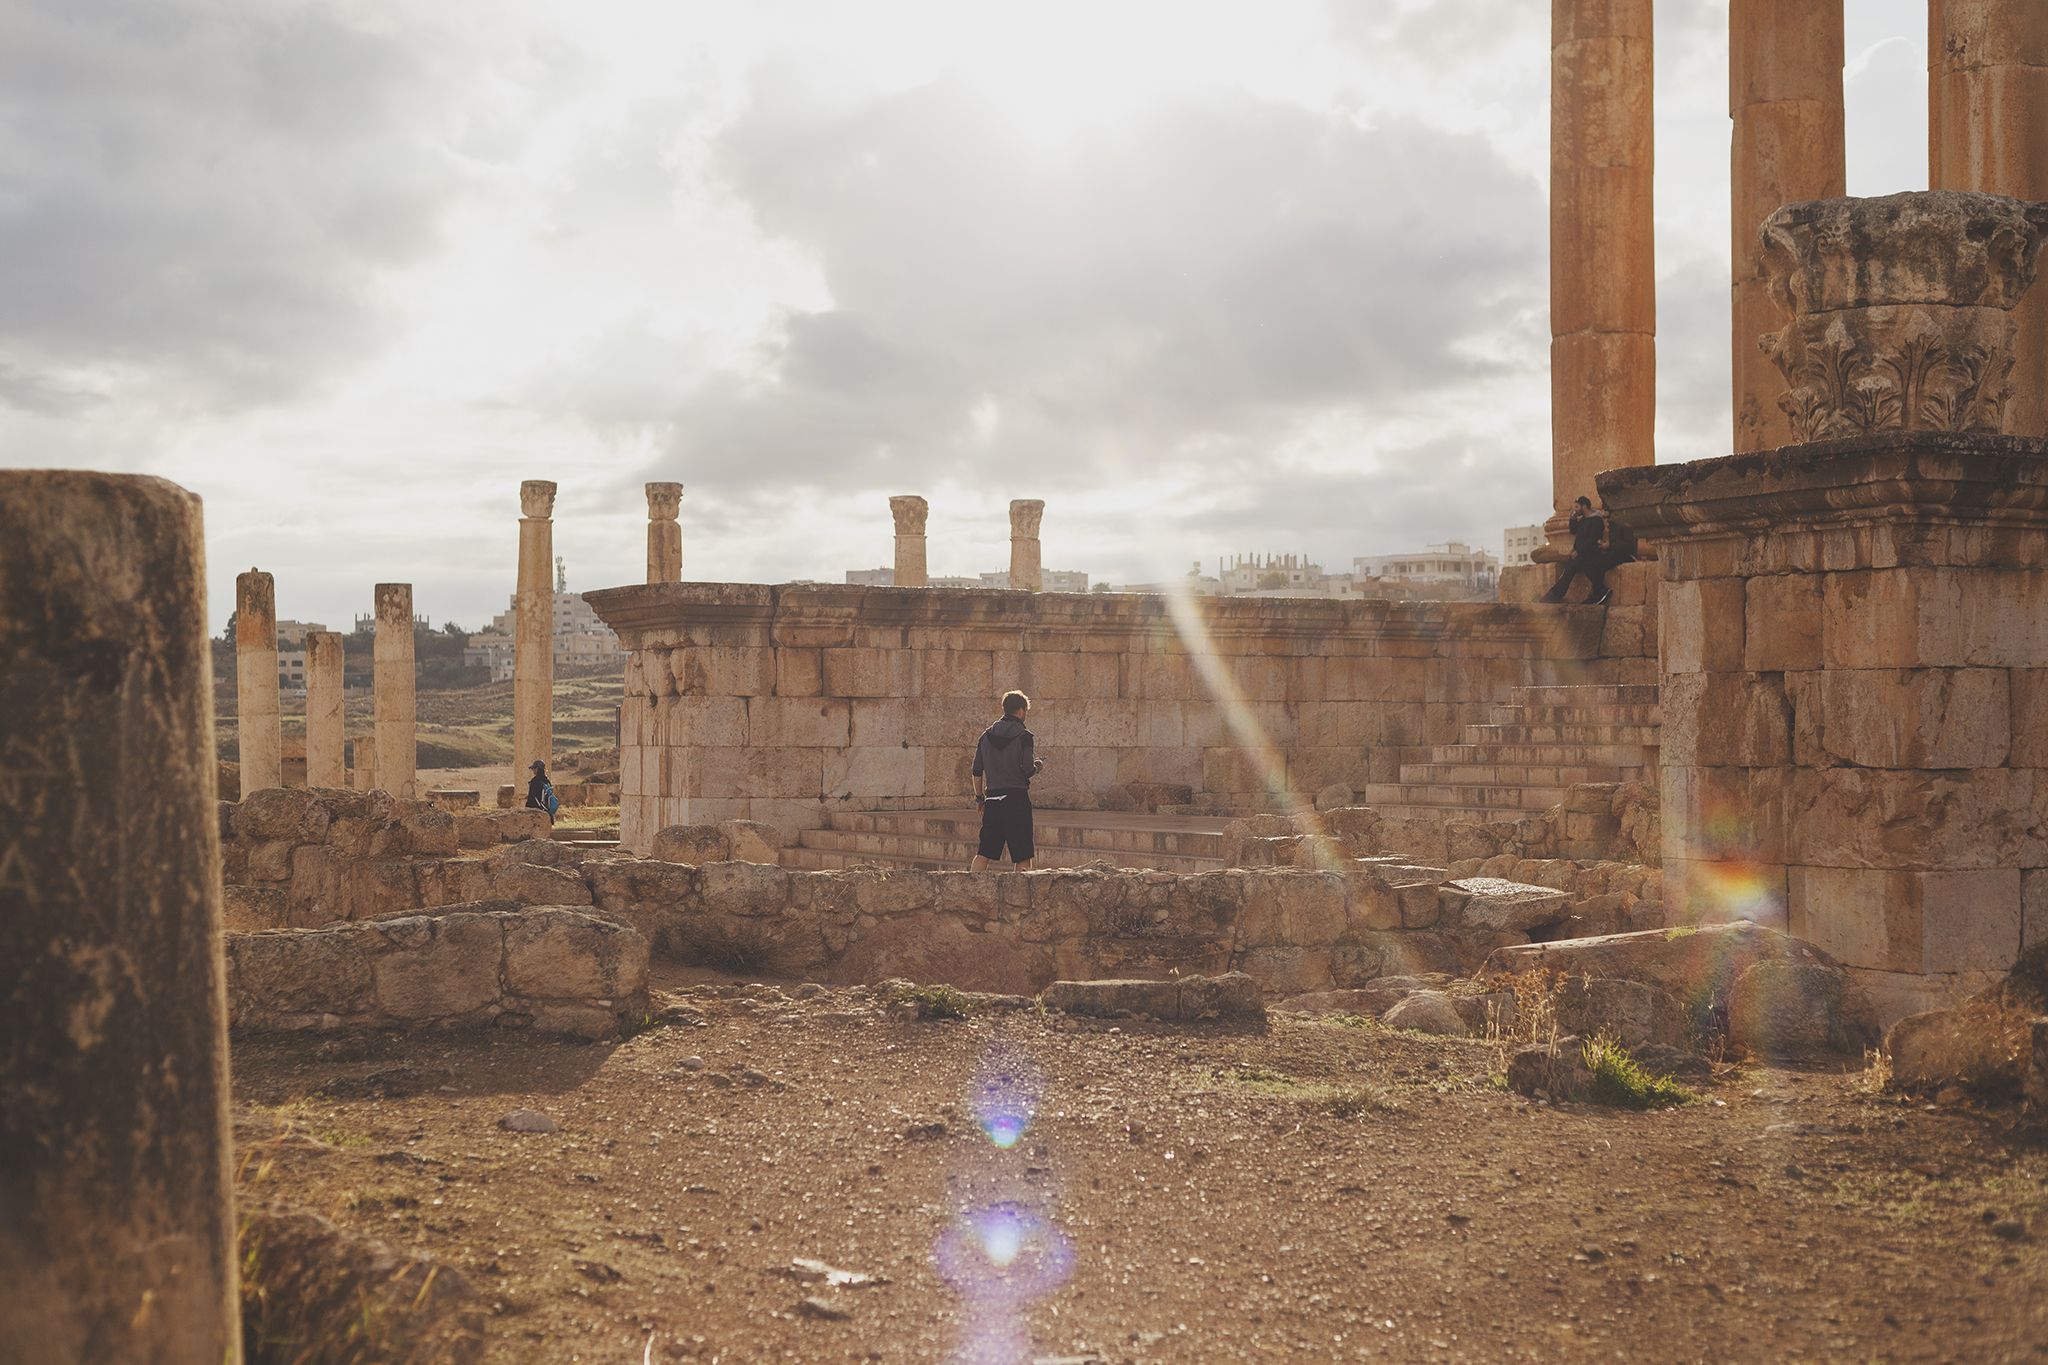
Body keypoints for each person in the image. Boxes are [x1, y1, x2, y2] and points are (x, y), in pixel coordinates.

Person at [970, 690, 1043, 871]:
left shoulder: (985, 736)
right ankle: (1023, 898)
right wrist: (1038, 766)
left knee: (983, 853)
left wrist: (980, 798)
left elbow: (976, 771)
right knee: (1023, 854)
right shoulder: (1025, 736)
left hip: (993, 801)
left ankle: (969, 889)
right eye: (1025, 711)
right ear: (1020, 711)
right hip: (1016, 800)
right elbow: (1027, 769)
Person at [1541, 495, 1614, 605]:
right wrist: (1573, 518)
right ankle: (1554, 595)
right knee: (1568, 571)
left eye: (1576, 507)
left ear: (1584, 506)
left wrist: (1579, 552)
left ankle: (1554, 595)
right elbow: (1574, 530)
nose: (1575, 509)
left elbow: (1592, 540)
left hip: (1588, 554)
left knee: (1571, 570)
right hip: (1580, 555)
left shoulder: (1596, 521)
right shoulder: (1584, 520)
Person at [525, 759, 558, 824]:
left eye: (534, 768)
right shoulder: (547, 781)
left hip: (536, 811)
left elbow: (532, 797)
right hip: (546, 811)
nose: (533, 770)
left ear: (537, 769)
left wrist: (526, 809)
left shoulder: (534, 781)